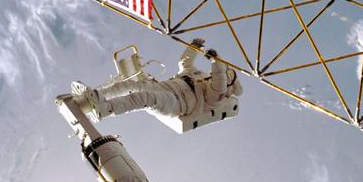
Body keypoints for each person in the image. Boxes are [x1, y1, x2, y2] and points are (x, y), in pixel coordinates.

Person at [72, 39, 242, 121]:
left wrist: (216, 62)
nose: (222, 75)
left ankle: (105, 109)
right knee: (131, 85)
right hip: (165, 87)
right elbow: (185, 63)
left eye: (227, 76)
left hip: (178, 104)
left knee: (146, 98)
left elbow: (219, 84)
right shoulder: (198, 74)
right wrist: (193, 47)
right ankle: (96, 96)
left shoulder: (218, 97)